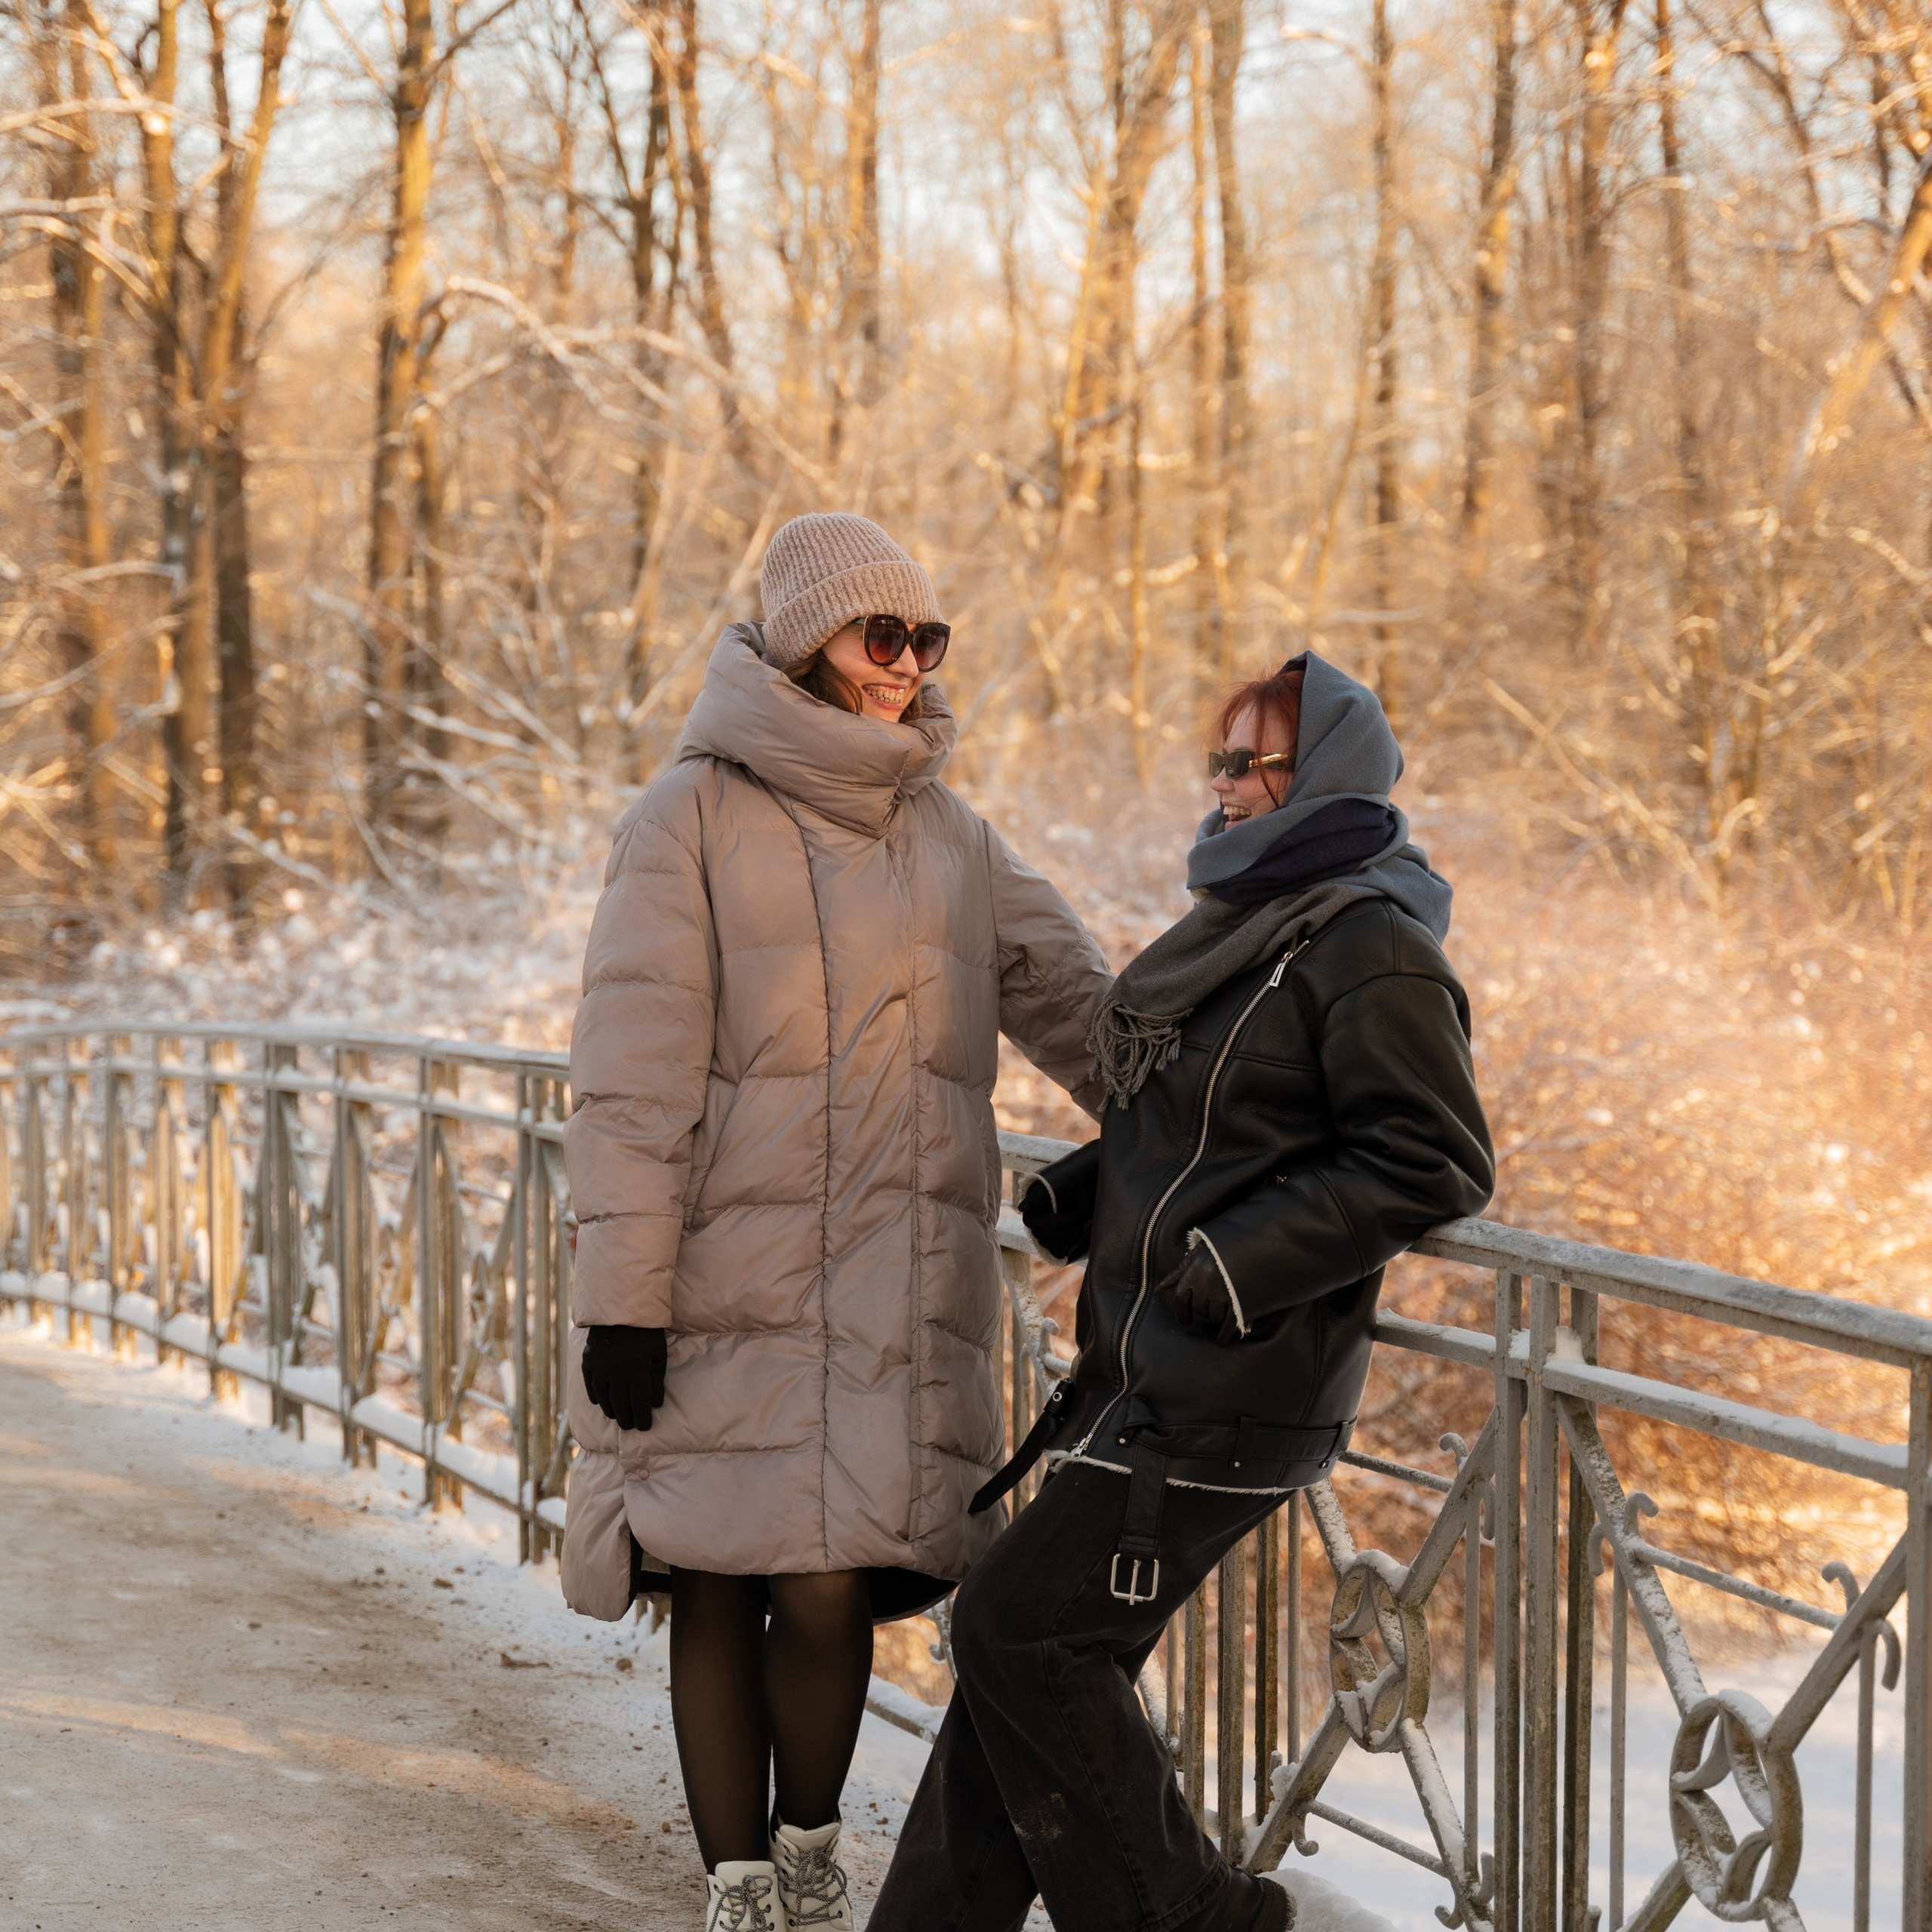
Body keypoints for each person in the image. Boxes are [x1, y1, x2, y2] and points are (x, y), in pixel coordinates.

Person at [870, 652, 1495, 1932]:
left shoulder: (1370, 940)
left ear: (1323, 774)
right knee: (1022, 1658)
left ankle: (1200, 1918)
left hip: (1237, 1384)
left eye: (1251, 761)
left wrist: (1230, 1260)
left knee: (1021, 1633)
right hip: (1151, 1365)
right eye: (1217, 757)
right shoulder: (1245, 927)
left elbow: (1428, 1157)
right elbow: (1232, 1122)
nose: (1222, 784)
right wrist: (1098, 1187)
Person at [558, 512, 1113, 1932]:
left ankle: (811, 1847)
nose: (908, 668)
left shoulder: (953, 839)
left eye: (928, 642)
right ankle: (740, 1885)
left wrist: (1249, 1094)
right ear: (809, 642)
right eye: (883, 638)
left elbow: (1094, 1017)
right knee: (717, 1581)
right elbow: (629, 1083)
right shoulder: (684, 818)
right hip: (718, 1279)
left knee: (822, 1582)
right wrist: (622, 1298)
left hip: (886, 1284)